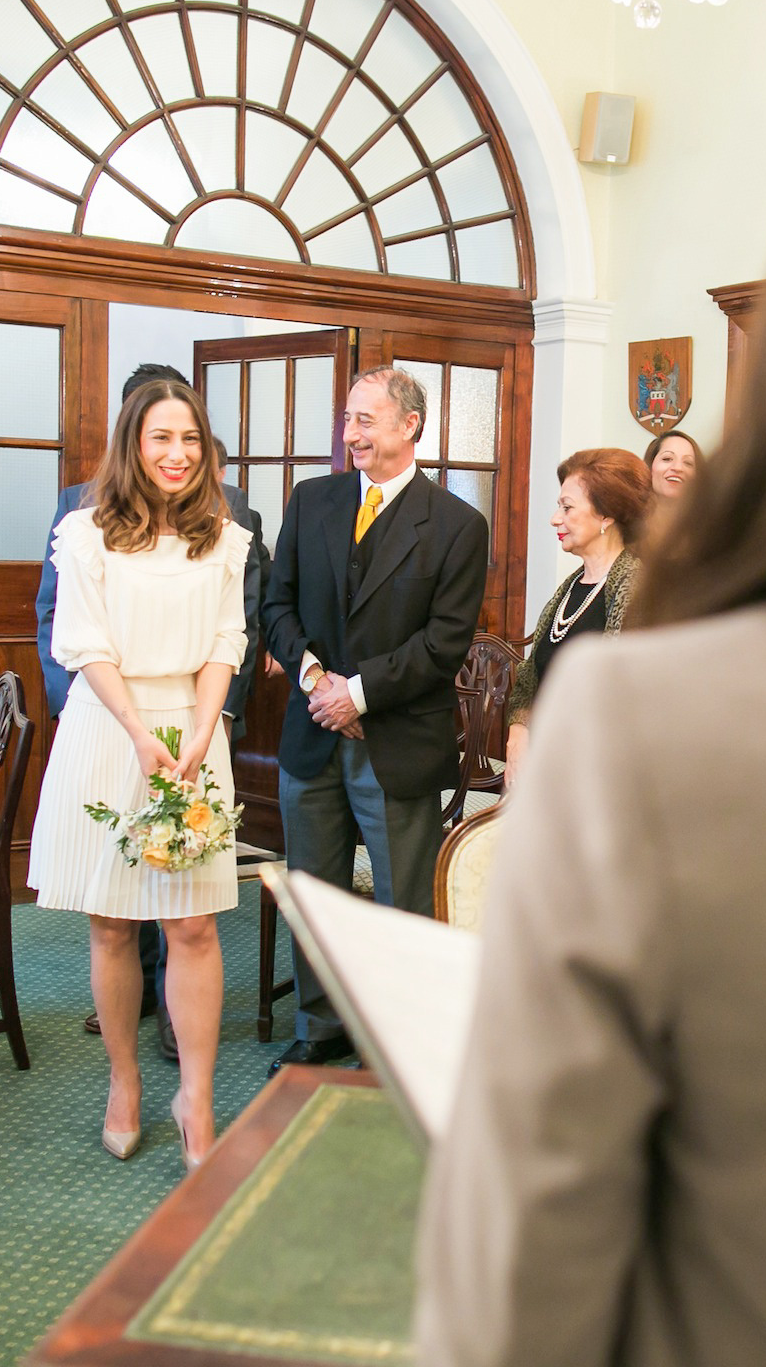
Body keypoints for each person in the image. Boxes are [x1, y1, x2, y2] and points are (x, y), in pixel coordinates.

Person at [414, 225, 766, 1367]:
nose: (560, 517)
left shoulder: (665, 718)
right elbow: (531, 668)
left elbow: (537, 1211)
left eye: (573, 501)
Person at [28, 380, 251, 1167]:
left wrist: (199, 731)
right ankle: (124, 1080)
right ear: (133, 444)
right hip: (108, 728)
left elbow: (228, 642)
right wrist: (137, 732)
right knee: (113, 922)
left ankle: (196, 1093)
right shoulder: (86, 533)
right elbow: (83, 644)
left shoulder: (225, 537)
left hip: (192, 733)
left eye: (190, 440)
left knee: (192, 924)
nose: (177, 455)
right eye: (161, 439)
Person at [262, 365, 488, 1074]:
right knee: (316, 896)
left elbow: (443, 643)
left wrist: (356, 696)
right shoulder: (312, 501)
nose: (349, 433)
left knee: (400, 907)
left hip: (396, 742)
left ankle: (396, 1042)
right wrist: (315, 681)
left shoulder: (457, 525)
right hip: (312, 737)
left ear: (409, 426)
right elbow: (276, 607)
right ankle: (320, 1029)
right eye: (349, 419)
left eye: (365, 420)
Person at [503, 448, 651, 789]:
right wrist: (518, 737)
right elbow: (529, 679)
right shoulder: (571, 586)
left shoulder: (636, 584)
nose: (555, 518)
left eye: (567, 507)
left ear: (606, 516)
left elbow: (621, 699)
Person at [643, 426, 703, 499]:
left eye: (688, 463)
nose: (677, 468)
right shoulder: (628, 509)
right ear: (650, 464)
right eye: (667, 459)